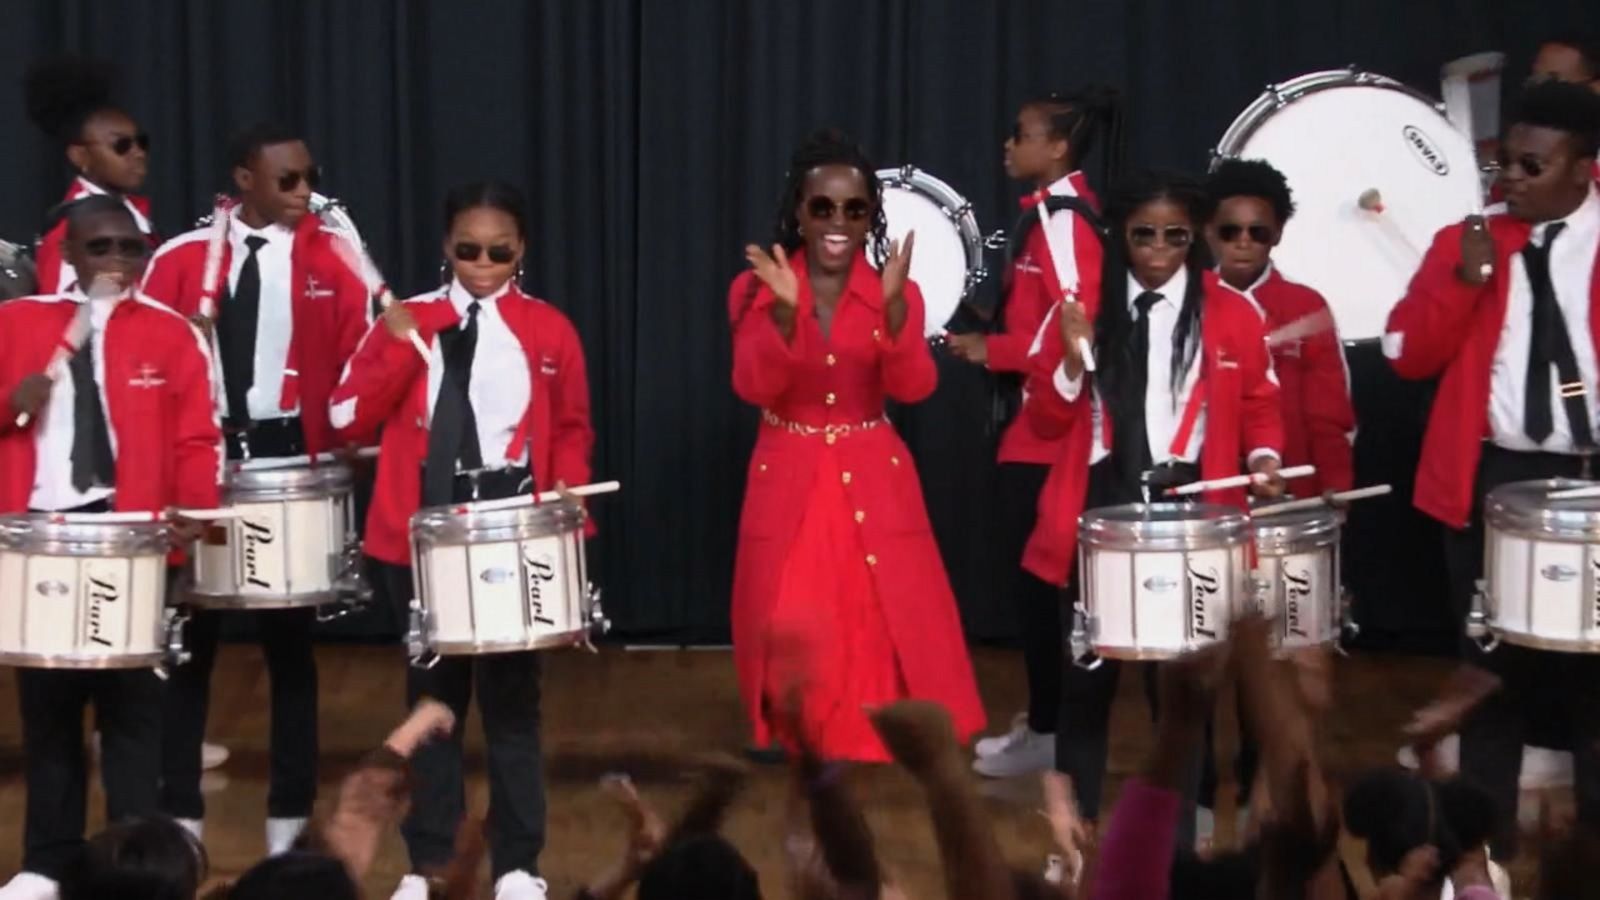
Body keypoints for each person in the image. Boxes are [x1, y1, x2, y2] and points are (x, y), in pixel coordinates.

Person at [330, 180, 594, 900]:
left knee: (513, 705)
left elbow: (571, 428)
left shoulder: (550, 330)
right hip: (423, 533)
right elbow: (347, 417)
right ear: (447, 246)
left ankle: (517, 866)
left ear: (522, 250)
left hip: (510, 529)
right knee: (432, 706)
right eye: (468, 249)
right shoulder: (410, 320)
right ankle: (427, 863)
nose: (483, 263)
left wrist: (568, 490)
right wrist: (396, 350)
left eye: (499, 251)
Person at [1022, 170, 1285, 844]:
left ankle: (1186, 842)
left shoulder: (1232, 312)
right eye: (1144, 235)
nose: (1159, 249)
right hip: (1102, 505)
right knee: (1087, 684)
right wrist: (1072, 361)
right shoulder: (1082, 311)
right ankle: (1074, 841)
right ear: (1121, 236)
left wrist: (1263, 460)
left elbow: (1259, 402)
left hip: (1193, 507)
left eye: (1175, 235)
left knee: (1184, 693)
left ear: (1194, 236)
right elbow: (1045, 421)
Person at [141, 122, 372, 854]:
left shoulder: (335, 259)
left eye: (309, 175)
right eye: (287, 180)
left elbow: (364, 352)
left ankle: (288, 824)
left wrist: (350, 435)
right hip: (202, 464)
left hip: (288, 465)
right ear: (244, 182)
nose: (305, 192)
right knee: (190, 648)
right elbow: (147, 361)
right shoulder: (180, 259)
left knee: (291, 653)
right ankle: (180, 818)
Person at [1383, 79, 1600, 855]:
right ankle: (1483, 859)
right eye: (1503, 162)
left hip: (1592, 474)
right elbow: (1406, 355)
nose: (1507, 179)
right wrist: (1461, 282)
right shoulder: (1467, 240)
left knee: (1594, 683)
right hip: (1495, 478)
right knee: (1488, 674)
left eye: (1531, 166)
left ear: (1586, 169)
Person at [729, 128, 985, 764]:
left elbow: (914, 387)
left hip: (872, 463)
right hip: (789, 463)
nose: (838, 222)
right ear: (799, 211)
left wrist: (897, 313)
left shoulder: (894, 290)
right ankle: (796, 728)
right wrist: (786, 315)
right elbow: (750, 385)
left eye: (855, 209)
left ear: (872, 214)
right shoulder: (757, 287)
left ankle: (879, 730)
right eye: (823, 208)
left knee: (876, 608)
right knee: (792, 613)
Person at [0, 195, 221, 900]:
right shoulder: (14, 323)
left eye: (132, 249)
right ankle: (47, 862)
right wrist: (8, 403)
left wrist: (190, 513)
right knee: (50, 713)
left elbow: (197, 436)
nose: (119, 263)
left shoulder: (170, 333)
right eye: (102, 249)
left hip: (131, 537)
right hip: (40, 535)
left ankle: (134, 858)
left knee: (133, 716)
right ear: (68, 254)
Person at [946, 88, 1117, 779]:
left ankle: (1053, 732)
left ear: (1058, 149)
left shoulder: (1067, 224)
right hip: (1035, 428)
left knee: (1046, 594)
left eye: (1021, 135)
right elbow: (1046, 317)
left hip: (1055, 436)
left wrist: (1001, 354)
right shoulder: (1048, 218)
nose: (1008, 147)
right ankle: (1048, 722)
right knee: (1034, 591)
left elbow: (1081, 328)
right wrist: (994, 329)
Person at [1205, 158, 1354, 497]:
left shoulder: (1306, 307)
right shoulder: (1187, 304)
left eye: (1258, 232)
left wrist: (1335, 482)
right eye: (1230, 231)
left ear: (1278, 233)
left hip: (1294, 494)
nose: (1244, 242)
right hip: (1209, 494)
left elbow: (1330, 412)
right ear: (1208, 230)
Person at [22, 56, 156, 295]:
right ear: (80, 156)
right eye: (121, 145)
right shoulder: (70, 228)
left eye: (141, 142)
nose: (138, 154)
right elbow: (63, 314)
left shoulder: (134, 214)